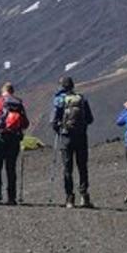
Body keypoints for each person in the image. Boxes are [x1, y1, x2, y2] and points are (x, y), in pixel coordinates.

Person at [51, 75, 95, 208]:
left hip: (66, 138)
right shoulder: (81, 98)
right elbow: (90, 119)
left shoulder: (59, 100)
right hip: (81, 136)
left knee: (67, 168)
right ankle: (84, 196)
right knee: (82, 166)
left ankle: (69, 198)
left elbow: (53, 121)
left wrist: (59, 129)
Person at [0, 82, 28, 206]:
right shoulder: (18, 103)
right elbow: (25, 123)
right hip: (14, 139)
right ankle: (11, 197)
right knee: (11, 167)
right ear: (12, 91)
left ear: (2, 91)